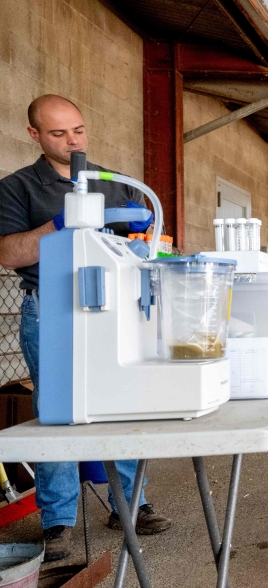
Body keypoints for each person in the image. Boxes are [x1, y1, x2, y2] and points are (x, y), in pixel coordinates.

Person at [0, 95, 172, 562]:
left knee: (125, 402)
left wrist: (145, 238)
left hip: (116, 309)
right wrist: (59, 225)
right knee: (56, 411)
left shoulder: (115, 186)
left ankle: (131, 504)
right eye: (58, 133)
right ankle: (58, 521)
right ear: (35, 135)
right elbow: (9, 254)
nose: (72, 141)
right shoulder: (16, 188)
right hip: (50, 309)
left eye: (78, 130)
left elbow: (149, 242)